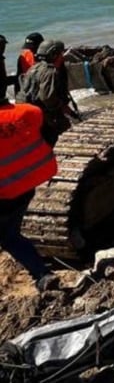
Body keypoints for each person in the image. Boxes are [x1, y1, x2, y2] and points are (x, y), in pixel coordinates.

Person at [0, 94, 59, 291]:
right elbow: (50, 136)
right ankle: (42, 274)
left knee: (8, 236)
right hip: (26, 186)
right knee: (10, 233)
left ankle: (41, 273)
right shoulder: (29, 112)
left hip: (5, 193)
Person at [17, 39, 72, 145]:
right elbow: (47, 98)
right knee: (62, 129)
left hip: (27, 110)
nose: (62, 56)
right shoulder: (49, 71)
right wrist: (61, 108)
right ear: (54, 54)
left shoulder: (34, 68)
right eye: (61, 53)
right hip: (39, 112)